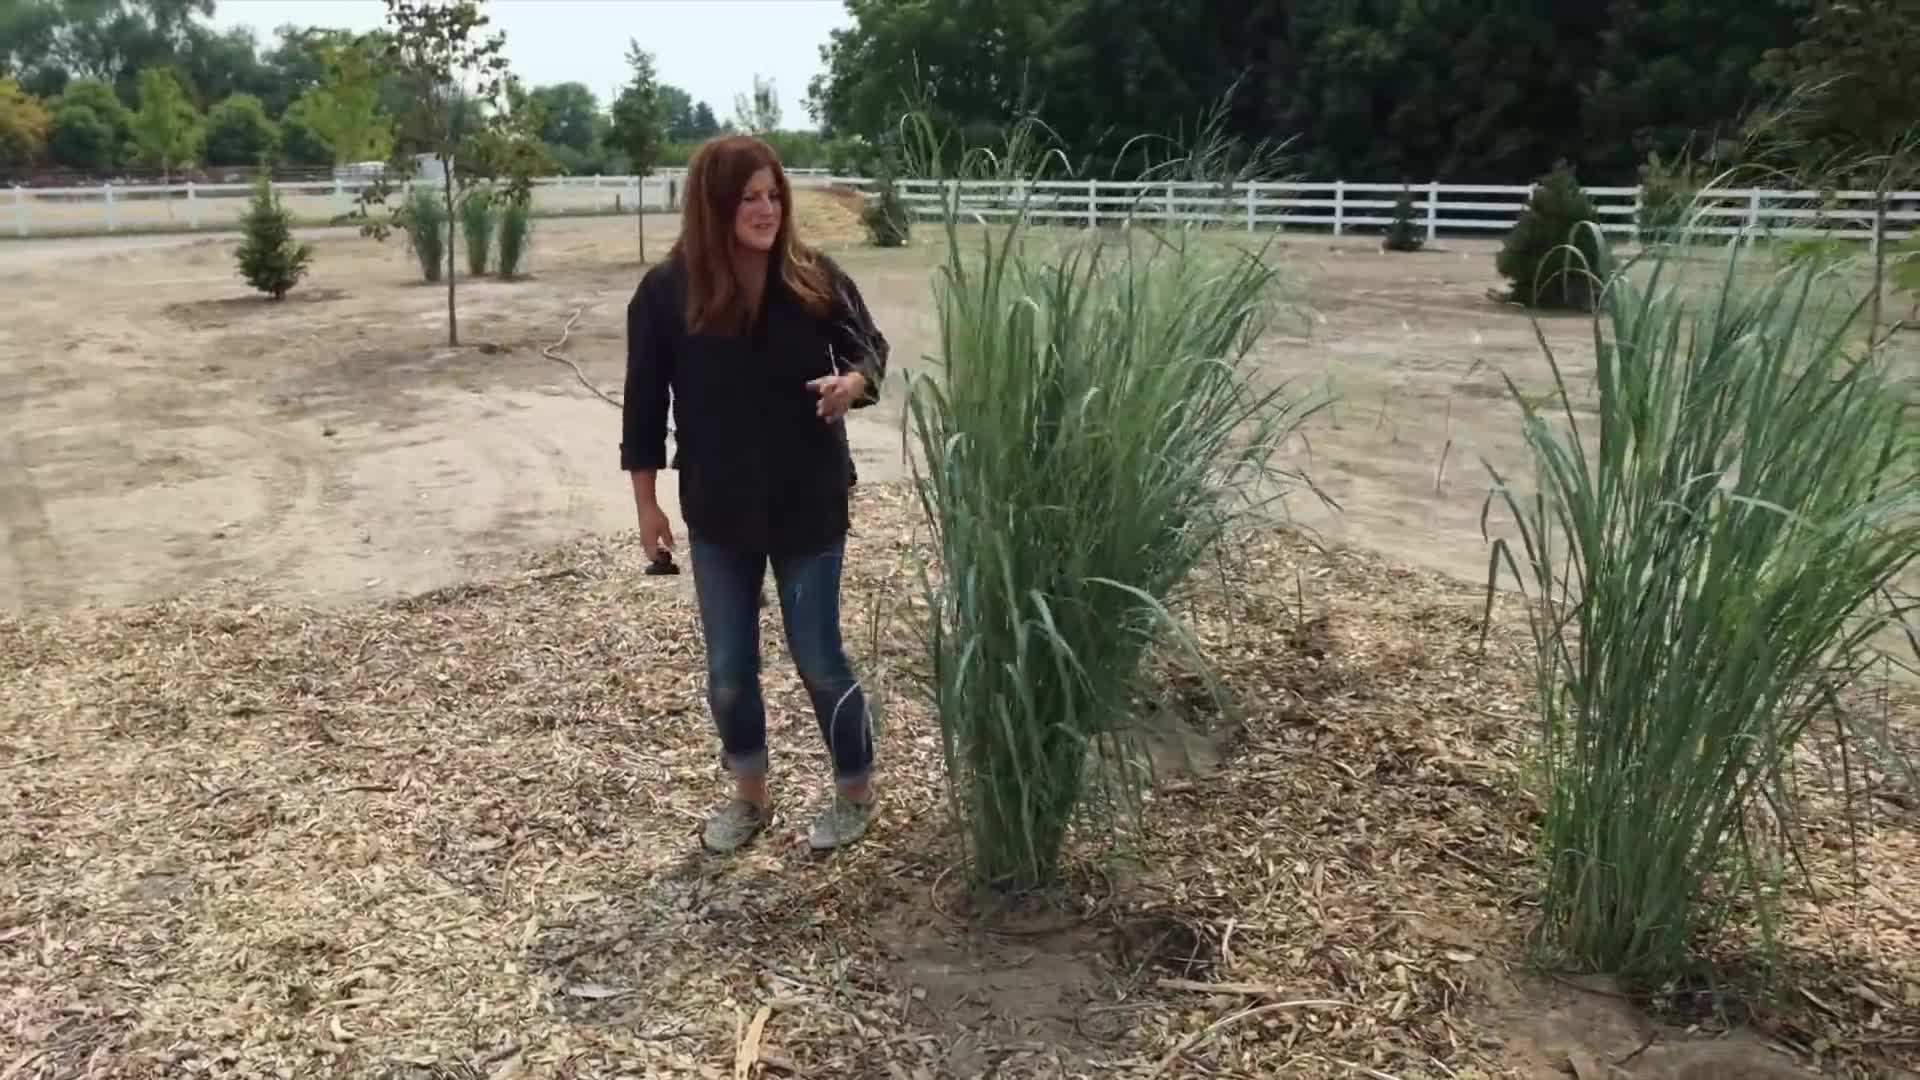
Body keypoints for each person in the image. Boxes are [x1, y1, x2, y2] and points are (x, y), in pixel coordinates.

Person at [620, 135, 889, 855]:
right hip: (718, 508)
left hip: (809, 499)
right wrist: (647, 506)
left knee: (819, 658)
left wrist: (852, 384)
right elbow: (643, 410)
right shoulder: (665, 293)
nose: (766, 210)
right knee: (730, 671)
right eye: (749, 198)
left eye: (774, 195)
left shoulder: (811, 277)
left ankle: (854, 790)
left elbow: (873, 350)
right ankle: (749, 797)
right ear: (714, 205)